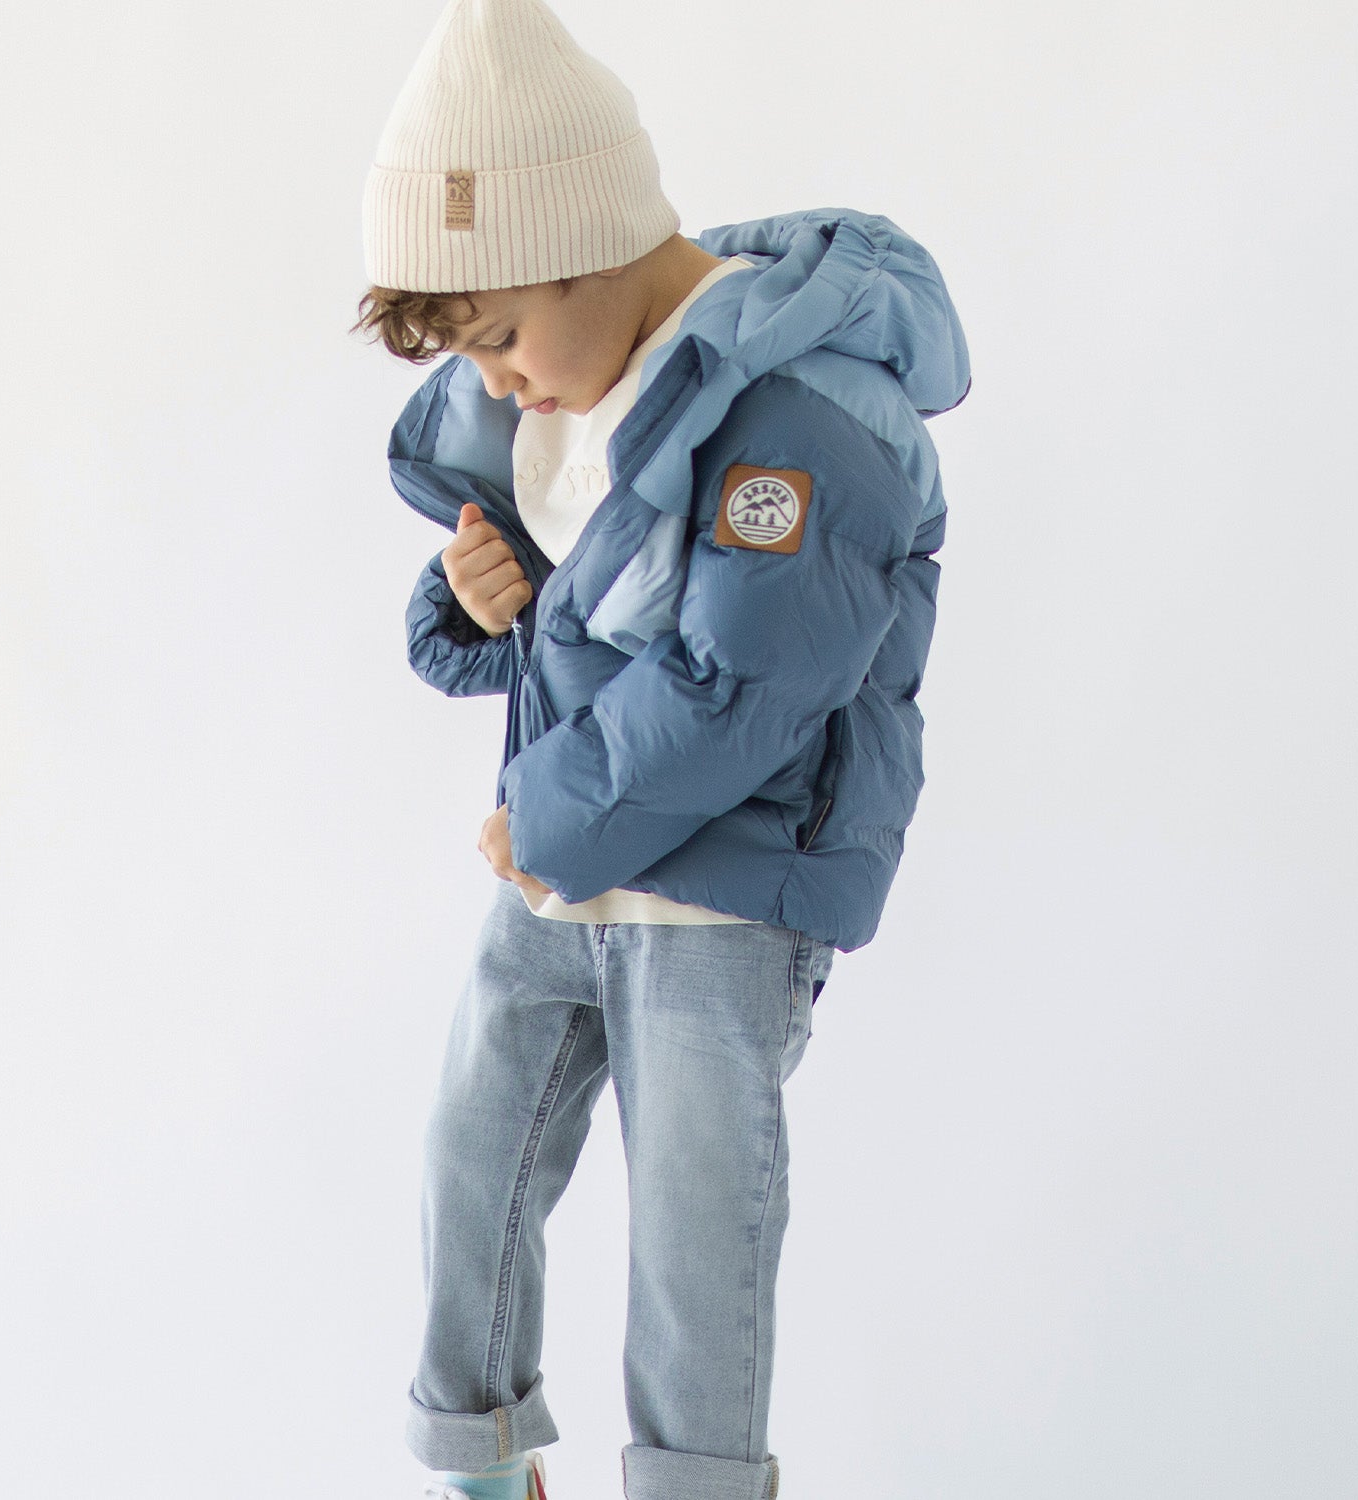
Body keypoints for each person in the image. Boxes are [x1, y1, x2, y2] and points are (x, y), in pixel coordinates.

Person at [355, 2, 970, 1496]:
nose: (496, 383)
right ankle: (482, 1469)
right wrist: (475, 599)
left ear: (590, 242)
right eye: (471, 356)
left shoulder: (810, 409)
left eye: (502, 336)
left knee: (697, 1237)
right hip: (563, 876)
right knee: (471, 1160)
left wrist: (544, 816)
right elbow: (571, 627)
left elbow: (742, 683)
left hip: (720, 901)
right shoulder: (565, 393)